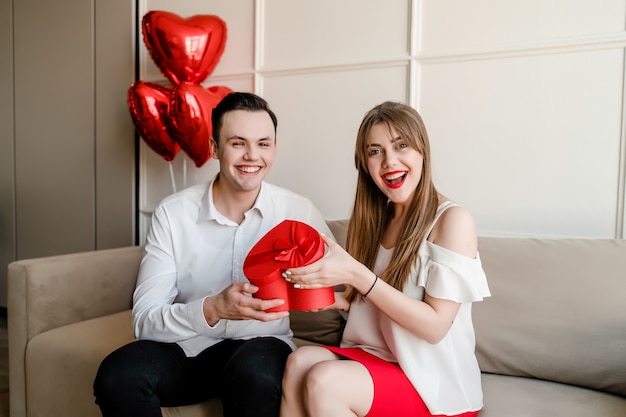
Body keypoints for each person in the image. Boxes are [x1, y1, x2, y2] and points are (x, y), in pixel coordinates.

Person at [93, 92, 333, 417]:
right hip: (187, 347)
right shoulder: (173, 213)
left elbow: (342, 280)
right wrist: (213, 308)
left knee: (257, 374)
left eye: (263, 143)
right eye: (238, 143)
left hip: (260, 347)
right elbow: (145, 320)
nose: (252, 155)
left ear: (274, 148)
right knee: (117, 376)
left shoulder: (298, 210)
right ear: (214, 148)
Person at [279, 101, 491, 417]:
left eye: (401, 145)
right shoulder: (376, 220)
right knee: (299, 361)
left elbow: (434, 327)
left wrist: (358, 276)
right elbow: (379, 305)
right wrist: (338, 300)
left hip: (433, 381)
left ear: (422, 152)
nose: (389, 161)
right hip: (380, 358)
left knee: (326, 381)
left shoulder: (453, 220)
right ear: (365, 164)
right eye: (375, 151)